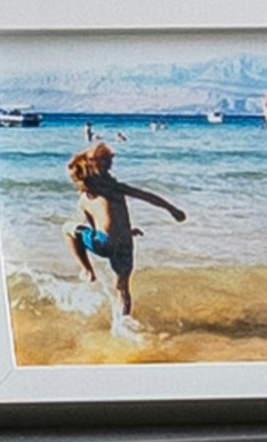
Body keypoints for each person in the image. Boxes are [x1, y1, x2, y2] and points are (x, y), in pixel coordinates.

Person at [64, 135, 183, 331]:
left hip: (105, 243)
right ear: (96, 165)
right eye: (109, 161)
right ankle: (123, 324)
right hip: (124, 243)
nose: (111, 164)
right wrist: (172, 209)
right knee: (122, 288)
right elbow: (147, 196)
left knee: (68, 228)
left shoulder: (85, 198)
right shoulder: (116, 188)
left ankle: (87, 270)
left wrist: (121, 231)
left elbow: (98, 225)